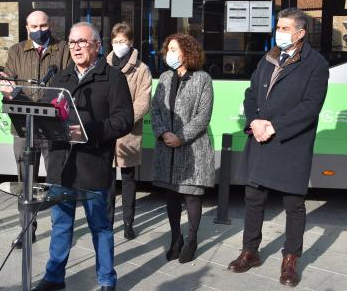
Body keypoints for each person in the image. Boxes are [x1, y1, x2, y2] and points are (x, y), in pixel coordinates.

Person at [227, 8, 329, 287]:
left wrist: (273, 126)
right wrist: (254, 122)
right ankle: (250, 251)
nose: (279, 32)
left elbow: (310, 107)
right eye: (278, 27)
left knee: (294, 204)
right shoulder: (268, 58)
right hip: (260, 138)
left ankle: (290, 259)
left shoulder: (316, 64)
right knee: (253, 197)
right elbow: (250, 94)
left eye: (285, 28)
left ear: (300, 33)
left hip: (290, 142)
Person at [33, 22, 133, 291]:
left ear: (97, 46)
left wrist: (89, 130)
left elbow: (124, 120)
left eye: (82, 42)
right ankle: (54, 277)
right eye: (72, 42)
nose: (76, 47)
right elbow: (45, 113)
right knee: (61, 225)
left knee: (100, 227)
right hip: (61, 165)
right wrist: (18, 97)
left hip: (93, 165)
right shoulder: (60, 78)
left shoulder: (112, 77)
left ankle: (106, 279)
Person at [0, 10, 71, 247]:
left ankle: (60, 233)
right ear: (27, 28)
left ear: (50, 25)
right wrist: (7, 88)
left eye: (43, 25)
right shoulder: (17, 51)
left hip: (54, 128)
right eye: (34, 27)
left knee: (56, 181)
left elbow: (70, 83)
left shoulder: (63, 49)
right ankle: (26, 229)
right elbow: (6, 81)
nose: (40, 30)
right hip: (23, 127)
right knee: (25, 182)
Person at [151, 33, 215, 264]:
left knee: (191, 195)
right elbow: (155, 110)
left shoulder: (202, 79)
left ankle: (191, 240)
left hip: (191, 149)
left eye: (175, 49)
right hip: (167, 148)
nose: (170, 54)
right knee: (171, 195)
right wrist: (162, 133)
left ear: (188, 52)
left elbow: (203, 116)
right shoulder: (165, 78)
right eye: (168, 49)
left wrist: (180, 137)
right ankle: (175, 238)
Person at [105, 22, 152, 240]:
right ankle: (106, 221)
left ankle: (128, 223)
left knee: (128, 179)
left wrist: (122, 121)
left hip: (128, 131)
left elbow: (143, 101)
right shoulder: (103, 65)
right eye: (115, 41)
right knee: (106, 179)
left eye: (122, 41)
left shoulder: (141, 69)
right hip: (106, 131)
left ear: (131, 42)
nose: (119, 45)